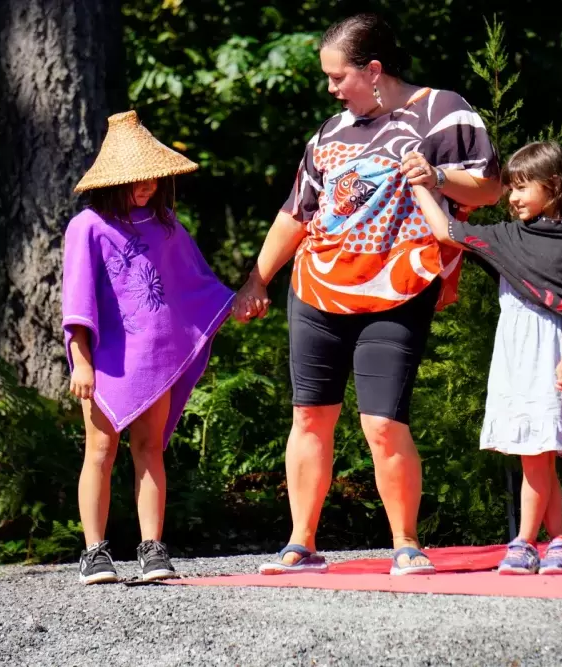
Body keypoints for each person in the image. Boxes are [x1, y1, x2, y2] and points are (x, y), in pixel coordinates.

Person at [233, 13, 500, 576]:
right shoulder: (330, 132)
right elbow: (297, 212)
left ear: (373, 70)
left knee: (382, 421)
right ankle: (300, 544)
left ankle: (406, 543)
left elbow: (491, 185)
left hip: (399, 289)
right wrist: (257, 277)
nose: (331, 88)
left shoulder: (442, 111)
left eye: (338, 77)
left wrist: (436, 177)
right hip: (316, 288)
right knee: (309, 415)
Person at [411, 141, 562, 575]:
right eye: (509, 188)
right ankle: (558, 542)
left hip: (549, 356)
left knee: (537, 451)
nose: (511, 197)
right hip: (514, 355)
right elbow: (447, 232)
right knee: (537, 453)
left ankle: (523, 542)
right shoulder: (508, 238)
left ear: (552, 186)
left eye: (521, 187)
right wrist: (422, 186)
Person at [63, 111, 234, 584]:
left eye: (154, 177)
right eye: (138, 179)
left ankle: (152, 548)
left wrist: (235, 302)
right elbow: (76, 300)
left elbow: (194, 283)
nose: (149, 186)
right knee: (100, 449)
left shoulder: (167, 226)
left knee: (150, 448)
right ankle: (94, 552)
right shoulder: (87, 226)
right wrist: (80, 359)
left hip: (156, 358)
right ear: (115, 180)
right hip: (106, 362)